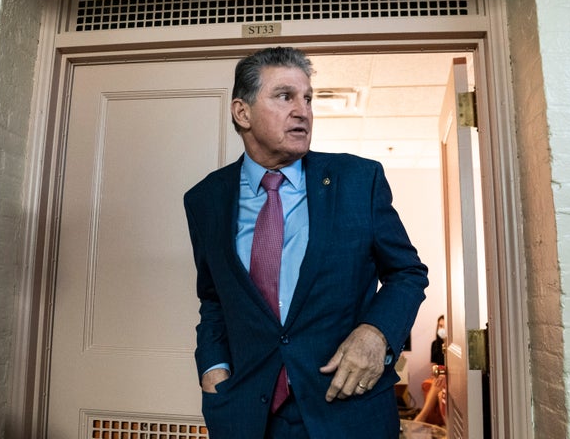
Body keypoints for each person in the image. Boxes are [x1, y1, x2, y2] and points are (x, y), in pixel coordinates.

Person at [183, 46, 429, 439]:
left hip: (348, 411)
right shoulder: (205, 200)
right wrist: (212, 367)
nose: (303, 110)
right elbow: (213, 297)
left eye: (308, 98)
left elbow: (407, 273)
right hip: (248, 414)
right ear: (242, 112)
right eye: (285, 96)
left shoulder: (358, 180)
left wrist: (376, 333)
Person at [414, 315, 448, 426]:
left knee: (438, 388)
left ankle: (422, 417)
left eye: (443, 326)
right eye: (440, 326)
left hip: (449, 377)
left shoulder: (453, 345)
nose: (441, 329)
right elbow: (434, 367)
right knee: (438, 387)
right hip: (439, 377)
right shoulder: (435, 344)